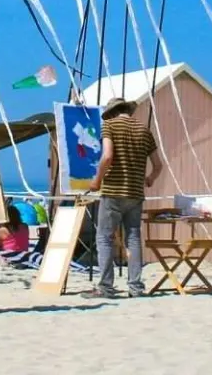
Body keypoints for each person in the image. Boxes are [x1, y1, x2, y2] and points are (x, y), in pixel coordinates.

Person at [85, 98, 163, 299]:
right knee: (133, 238)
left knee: (104, 238)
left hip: (113, 191)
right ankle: (135, 287)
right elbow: (158, 165)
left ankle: (105, 287)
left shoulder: (109, 126)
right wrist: (150, 179)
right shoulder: (144, 131)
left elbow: (108, 156)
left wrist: (97, 180)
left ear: (112, 112)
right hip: (135, 192)